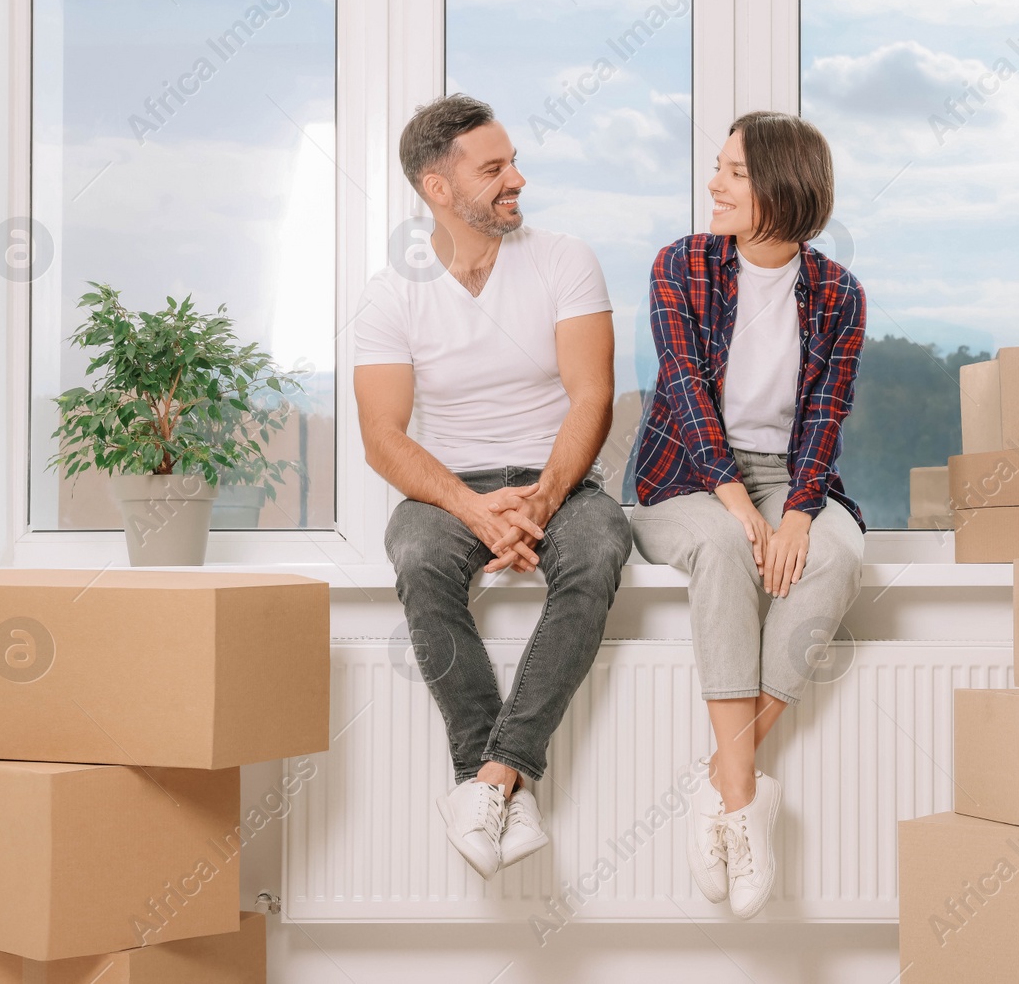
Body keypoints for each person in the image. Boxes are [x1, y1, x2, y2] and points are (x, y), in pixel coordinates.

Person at [352, 94, 632, 879]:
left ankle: (494, 776)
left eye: (513, 161)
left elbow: (591, 397)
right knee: (417, 559)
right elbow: (384, 437)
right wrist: (476, 509)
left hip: (559, 480)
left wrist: (542, 500)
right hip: (451, 491)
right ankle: (495, 774)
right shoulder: (389, 292)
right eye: (495, 168)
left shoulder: (564, 259)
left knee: (601, 546)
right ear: (438, 189)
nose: (518, 178)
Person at [630, 111, 866, 918]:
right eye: (719, 167)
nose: (715, 184)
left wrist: (801, 512)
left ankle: (723, 785)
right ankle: (745, 805)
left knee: (836, 555)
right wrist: (736, 499)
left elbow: (827, 412)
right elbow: (688, 391)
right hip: (687, 474)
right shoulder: (682, 264)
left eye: (734, 172)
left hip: (790, 476)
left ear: (782, 187)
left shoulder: (838, 292)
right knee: (728, 549)